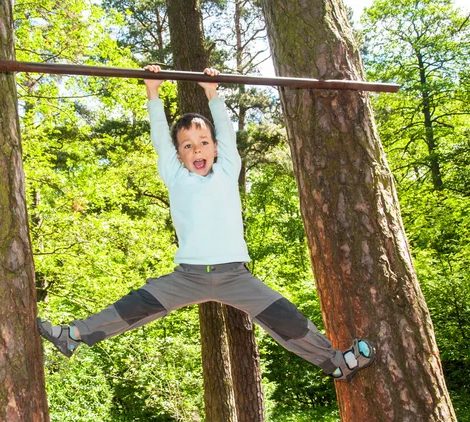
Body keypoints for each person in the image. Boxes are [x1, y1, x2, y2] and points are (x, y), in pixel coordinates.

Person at [37, 65, 375, 382]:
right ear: (180, 154)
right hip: (188, 276)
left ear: (214, 149)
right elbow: (159, 139)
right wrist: (152, 94)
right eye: (187, 146)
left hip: (234, 276)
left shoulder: (227, 171)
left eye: (203, 143)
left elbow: (227, 133)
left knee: (284, 316)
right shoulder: (175, 176)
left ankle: (336, 364)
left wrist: (214, 94)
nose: (196, 150)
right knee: (136, 304)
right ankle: (73, 335)